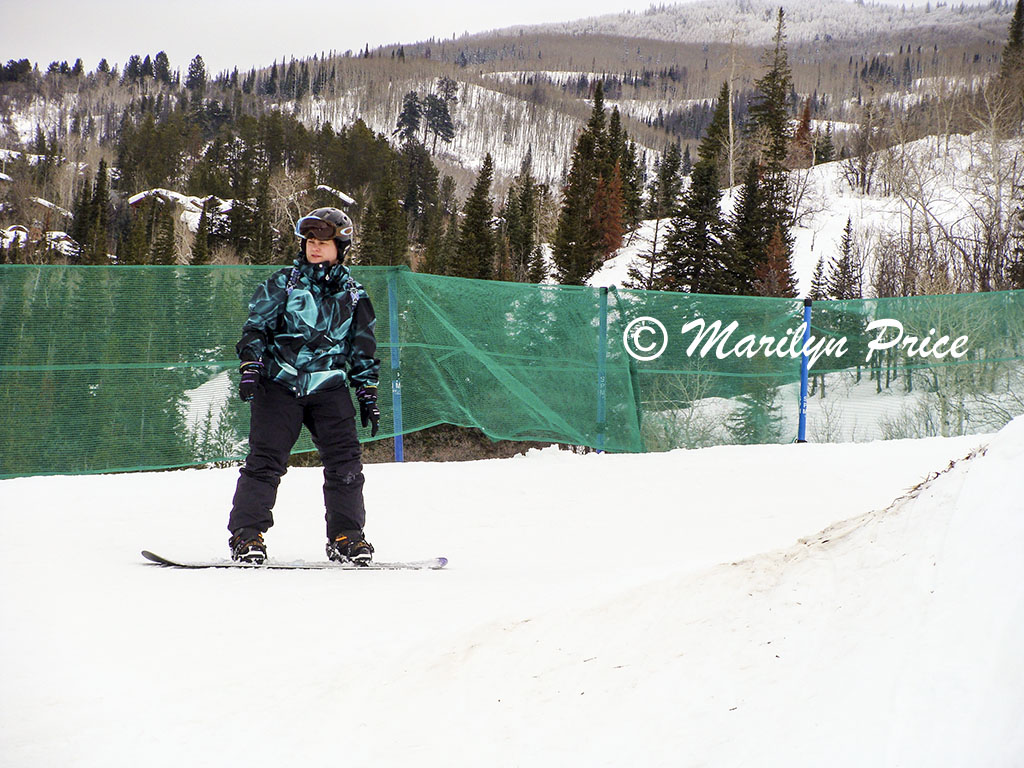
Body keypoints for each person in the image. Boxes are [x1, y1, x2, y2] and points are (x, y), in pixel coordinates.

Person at [227, 207, 381, 565]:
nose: (315, 248)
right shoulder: (284, 283)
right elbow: (256, 328)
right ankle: (247, 535)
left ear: (340, 247)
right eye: (311, 241)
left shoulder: (355, 295)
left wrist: (367, 392)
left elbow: (362, 347)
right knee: (265, 462)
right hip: (280, 383)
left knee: (346, 463)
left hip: (329, 386)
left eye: (323, 242)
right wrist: (252, 365)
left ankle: (346, 537)